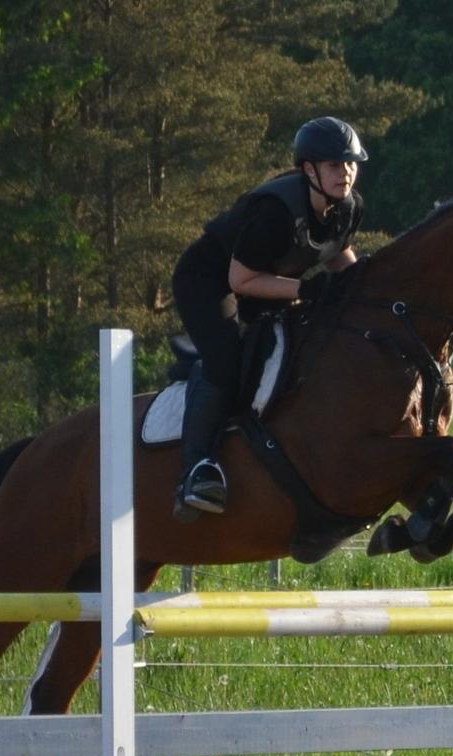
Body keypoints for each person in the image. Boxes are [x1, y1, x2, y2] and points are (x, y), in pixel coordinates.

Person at [170, 115, 367, 522]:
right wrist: (305, 290)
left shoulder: (348, 208)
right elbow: (240, 280)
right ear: (308, 169)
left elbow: (337, 255)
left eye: (351, 163)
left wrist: (367, 289)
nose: (346, 173)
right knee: (226, 360)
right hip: (210, 281)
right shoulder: (274, 211)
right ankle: (196, 470)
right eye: (335, 165)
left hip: (267, 279)